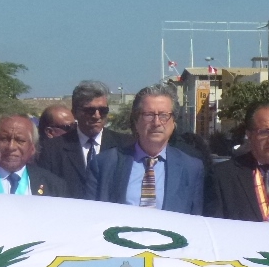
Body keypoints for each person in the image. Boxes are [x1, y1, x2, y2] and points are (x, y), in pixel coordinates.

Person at [85, 84, 203, 214]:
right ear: (136, 121)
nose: (156, 122)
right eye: (149, 115)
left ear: (173, 122)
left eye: (163, 115)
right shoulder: (105, 164)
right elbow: (92, 217)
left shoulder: (191, 168)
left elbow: (195, 222)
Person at [36, 81, 131, 198]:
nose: (97, 116)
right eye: (90, 111)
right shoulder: (52, 150)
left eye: (103, 110)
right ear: (75, 113)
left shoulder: (125, 146)